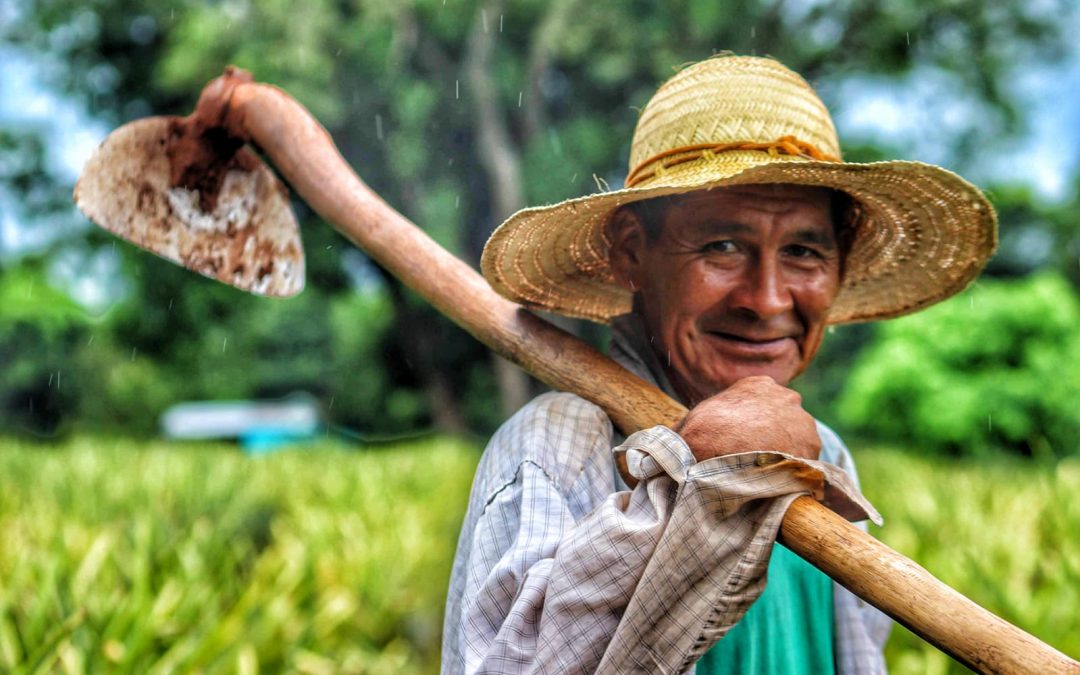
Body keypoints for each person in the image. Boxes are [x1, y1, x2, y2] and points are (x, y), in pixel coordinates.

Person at [442, 55, 997, 674]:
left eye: (804, 252)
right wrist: (704, 479)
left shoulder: (828, 458)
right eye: (722, 247)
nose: (766, 300)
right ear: (632, 253)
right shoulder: (560, 446)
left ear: (837, 270)